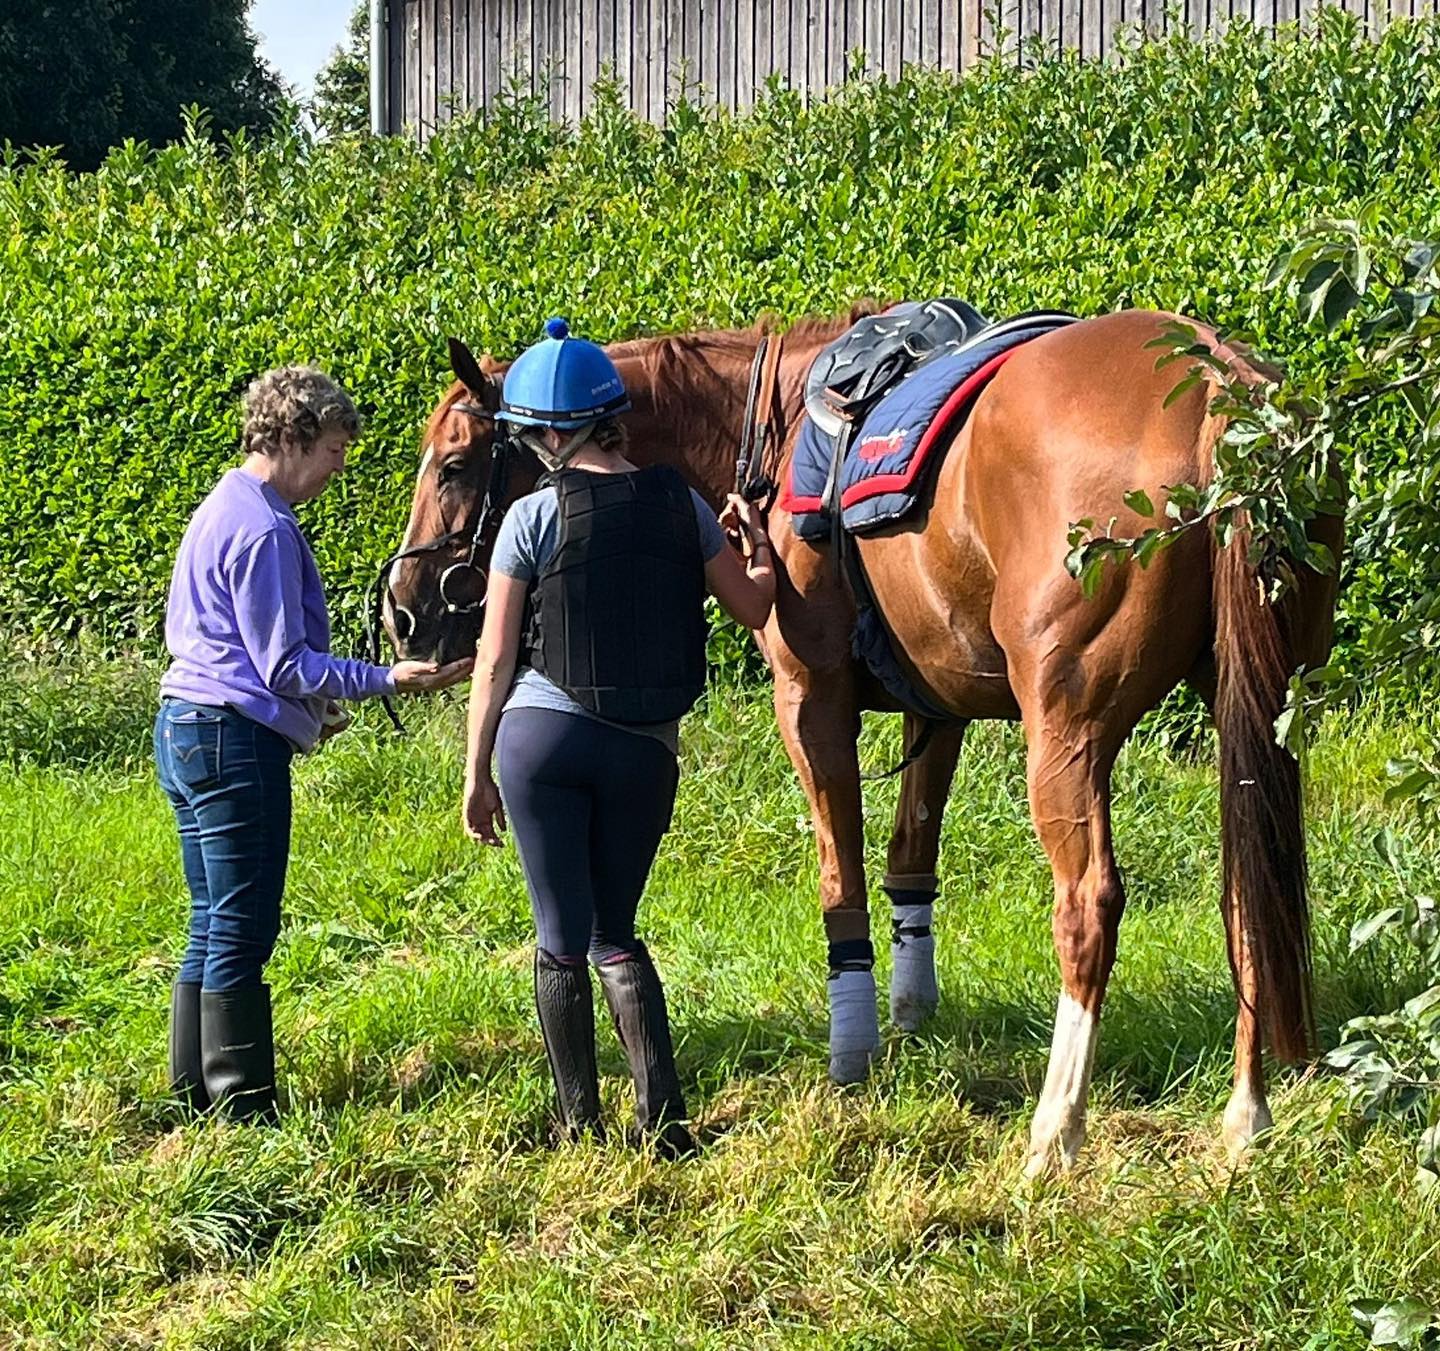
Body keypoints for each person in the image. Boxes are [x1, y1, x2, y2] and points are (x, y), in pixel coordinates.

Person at [461, 318, 775, 1157]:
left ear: (551, 434)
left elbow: (494, 659)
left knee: (560, 938)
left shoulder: (529, 517)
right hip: (644, 751)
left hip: (540, 743)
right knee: (616, 933)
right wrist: (762, 551)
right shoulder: (685, 504)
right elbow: (753, 606)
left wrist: (476, 771)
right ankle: (663, 1123)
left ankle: (578, 1125)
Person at [156, 366, 472, 1122]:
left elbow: (229, 645)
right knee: (244, 925)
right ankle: (242, 1106)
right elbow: (281, 663)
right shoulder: (266, 528)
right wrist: (386, 679)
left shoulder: (222, 502)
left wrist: (310, 708)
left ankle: (192, 1093)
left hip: (186, 727)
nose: (338, 468)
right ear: (294, 438)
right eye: (333, 449)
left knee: (210, 917)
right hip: (234, 743)